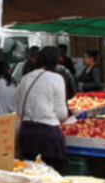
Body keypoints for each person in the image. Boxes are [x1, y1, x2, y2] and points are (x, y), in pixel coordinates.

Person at [15, 46, 68, 174]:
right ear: (55, 61)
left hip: (26, 134)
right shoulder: (56, 78)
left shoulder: (25, 78)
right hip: (48, 136)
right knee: (53, 179)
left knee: (32, 176)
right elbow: (62, 113)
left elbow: (18, 109)